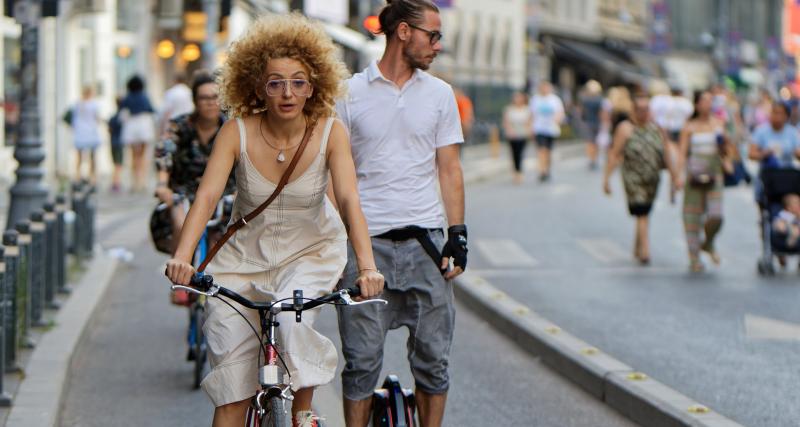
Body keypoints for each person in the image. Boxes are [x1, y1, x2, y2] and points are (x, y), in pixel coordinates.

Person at [164, 14, 383, 427]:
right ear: (257, 87)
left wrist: (367, 266)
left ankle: (301, 413)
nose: (287, 93)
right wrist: (183, 258)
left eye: (299, 81)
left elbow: (350, 200)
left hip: (310, 251)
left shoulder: (330, 132)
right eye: (275, 82)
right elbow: (207, 196)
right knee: (231, 385)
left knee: (290, 318)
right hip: (241, 259)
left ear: (313, 86)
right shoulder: (237, 132)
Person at [334, 1, 466, 426]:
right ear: (404, 32)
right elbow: (338, 174)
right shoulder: (349, 93)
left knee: (433, 361)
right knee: (361, 362)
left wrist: (457, 235)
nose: (438, 45)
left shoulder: (440, 94)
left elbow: (449, 168)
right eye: (433, 35)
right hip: (366, 247)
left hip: (425, 245)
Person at [154, 70, 235, 254]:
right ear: (195, 101)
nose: (210, 103)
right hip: (185, 192)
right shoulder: (179, 125)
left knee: (225, 241)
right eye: (204, 98)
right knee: (181, 223)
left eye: (215, 97)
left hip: (224, 194)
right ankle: (179, 269)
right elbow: (164, 150)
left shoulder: (231, 127)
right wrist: (162, 184)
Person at [603, 94, 681, 264]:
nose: (643, 113)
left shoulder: (657, 128)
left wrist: (675, 177)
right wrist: (606, 179)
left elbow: (666, 153)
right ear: (633, 111)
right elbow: (615, 154)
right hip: (633, 177)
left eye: (646, 109)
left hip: (653, 177)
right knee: (642, 210)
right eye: (639, 109)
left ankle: (637, 246)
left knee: (644, 212)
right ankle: (645, 250)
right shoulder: (625, 129)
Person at [678, 91, 734, 273]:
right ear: (697, 104)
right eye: (704, 100)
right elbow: (682, 153)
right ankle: (694, 258)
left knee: (716, 216)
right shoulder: (689, 126)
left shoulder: (719, 125)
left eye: (711, 100)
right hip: (694, 176)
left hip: (714, 174)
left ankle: (708, 242)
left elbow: (728, 149)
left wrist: (726, 151)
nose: (708, 104)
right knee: (692, 218)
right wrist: (677, 176)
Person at [119, 75, 156, 192]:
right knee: (144, 155)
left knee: (134, 156)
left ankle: (134, 182)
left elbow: (122, 111)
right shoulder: (144, 97)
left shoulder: (127, 98)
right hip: (144, 126)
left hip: (131, 127)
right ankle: (143, 181)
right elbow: (152, 110)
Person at [529, 81, 565, 182]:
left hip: (551, 129)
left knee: (548, 151)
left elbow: (560, 113)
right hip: (539, 128)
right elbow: (531, 114)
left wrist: (556, 120)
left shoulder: (555, 100)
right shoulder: (535, 99)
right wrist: (530, 128)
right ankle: (542, 171)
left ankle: (547, 169)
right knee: (541, 150)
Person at [69, 85, 102, 184]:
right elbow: (97, 118)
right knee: (92, 156)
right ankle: (92, 177)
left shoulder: (78, 104)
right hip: (91, 132)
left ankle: (78, 175)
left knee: (79, 156)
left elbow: (73, 118)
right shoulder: (93, 104)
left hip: (80, 132)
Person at [502, 91, 532, 184]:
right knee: (514, 153)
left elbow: (529, 121)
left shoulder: (527, 109)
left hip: (523, 134)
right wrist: (509, 131)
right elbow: (506, 121)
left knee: (520, 153)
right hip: (512, 134)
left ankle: (519, 172)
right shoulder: (509, 109)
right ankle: (515, 172)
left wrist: (528, 131)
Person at [579, 80, 604, 170]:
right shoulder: (600, 99)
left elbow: (582, 112)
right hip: (597, 122)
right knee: (595, 142)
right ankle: (594, 158)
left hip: (588, 122)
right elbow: (601, 113)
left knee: (590, 142)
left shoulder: (585, 99)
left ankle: (591, 159)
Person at [108, 97, 125, 192]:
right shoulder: (122, 117)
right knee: (118, 164)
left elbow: (109, 130)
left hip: (113, 142)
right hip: (119, 142)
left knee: (115, 164)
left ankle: (115, 182)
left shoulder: (113, 117)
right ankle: (116, 183)